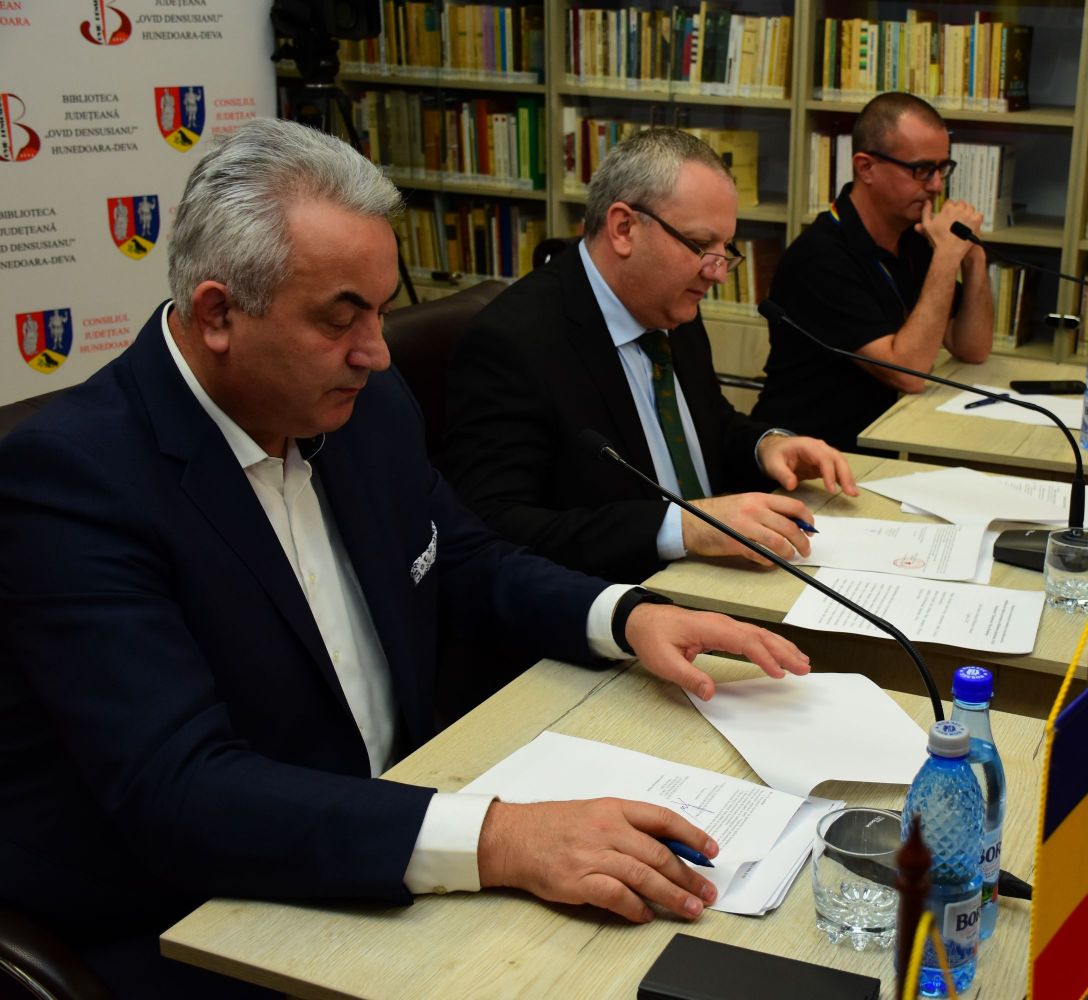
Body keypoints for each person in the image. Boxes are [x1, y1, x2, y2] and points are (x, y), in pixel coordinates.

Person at [0, 118, 813, 997]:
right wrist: (500, 839)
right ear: (218, 314)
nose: (377, 353)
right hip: (204, 918)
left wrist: (625, 615)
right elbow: (182, 790)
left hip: (407, 830)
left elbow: (460, 558)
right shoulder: (73, 482)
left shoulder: (361, 404)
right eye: (340, 317)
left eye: (383, 311)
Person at [443, 128, 858, 584]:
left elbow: (704, 426)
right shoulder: (514, 342)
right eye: (700, 245)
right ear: (624, 228)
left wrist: (766, 445)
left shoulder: (671, 303)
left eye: (725, 249)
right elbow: (496, 527)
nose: (718, 272)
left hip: (720, 575)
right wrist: (683, 527)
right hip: (620, 594)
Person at [752, 92, 995, 451]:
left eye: (942, 168)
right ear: (866, 167)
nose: (936, 186)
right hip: (805, 454)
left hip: (876, 439)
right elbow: (907, 373)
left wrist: (973, 257)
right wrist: (946, 257)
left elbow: (972, 348)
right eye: (921, 170)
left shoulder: (911, 237)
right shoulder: (819, 257)